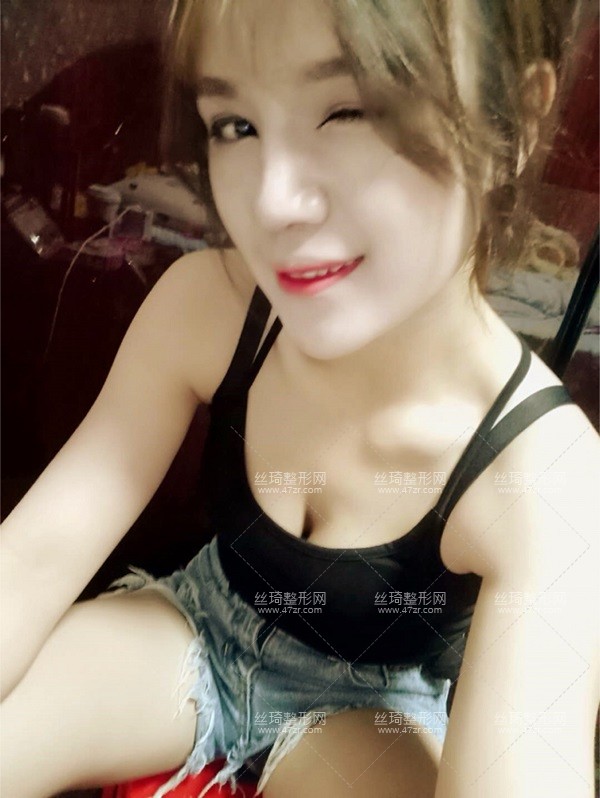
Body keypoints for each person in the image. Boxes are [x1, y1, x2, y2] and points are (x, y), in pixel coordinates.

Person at [1, 1, 598, 796]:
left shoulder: (546, 474)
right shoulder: (210, 306)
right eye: (236, 125)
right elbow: (35, 555)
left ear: (512, 124)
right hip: (196, 631)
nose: (272, 202)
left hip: (371, 716)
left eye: (351, 110)